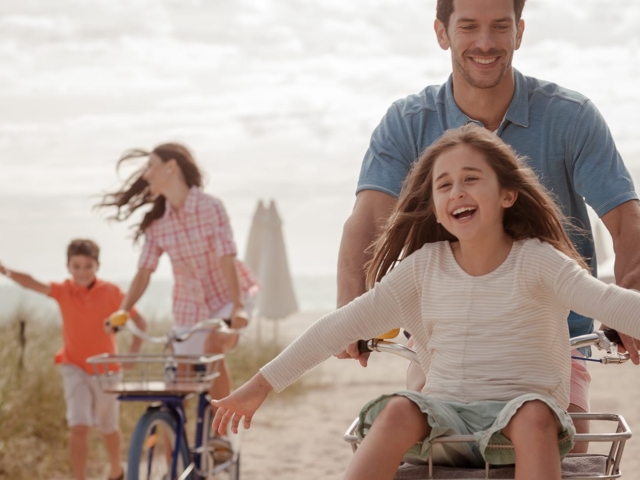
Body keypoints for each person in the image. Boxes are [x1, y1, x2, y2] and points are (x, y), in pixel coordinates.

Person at [210, 125, 640, 480]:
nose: (458, 191)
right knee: (398, 408)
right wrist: (259, 387)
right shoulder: (422, 269)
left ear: (507, 195)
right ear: (435, 208)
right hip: (446, 419)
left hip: (520, 422)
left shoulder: (540, 261)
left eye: (472, 179)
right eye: (445, 184)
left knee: (533, 415)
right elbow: (340, 326)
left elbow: (611, 302)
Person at [335, 0, 640, 450]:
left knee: (568, 454)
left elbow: (626, 220)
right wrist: (352, 306)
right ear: (442, 33)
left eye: (500, 26)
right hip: (443, 342)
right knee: (410, 450)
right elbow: (367, 221)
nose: (485, 42)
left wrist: (631, 291)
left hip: (553, 343)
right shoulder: (407, 123)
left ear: (519, 32)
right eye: (469, 27)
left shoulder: (571, 117)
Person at [97, 142, 259, 448]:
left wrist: (237, 307)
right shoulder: (158, 223)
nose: (146, 175)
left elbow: (227, 257)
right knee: (180, 378)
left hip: (227, 295)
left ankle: (220, 438)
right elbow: (144, 271)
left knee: (213, 347)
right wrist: (123, 310)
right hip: (189, 308)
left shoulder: (211, 207)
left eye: (151, 166)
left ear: (171, 166)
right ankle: (177, 445)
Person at [0, 239, 147, 480]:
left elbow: (140, 322)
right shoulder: (63, 291)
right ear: (68, 267)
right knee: (78, 426)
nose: (82, 272)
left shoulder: (112, 292)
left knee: (108, 427)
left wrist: (132, 352)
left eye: (88, 266)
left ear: (97, 265)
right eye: (76, 266)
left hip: (107, 369)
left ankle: (115, 471)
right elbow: (31, 283)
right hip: (73, 366)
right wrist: (5, 270)